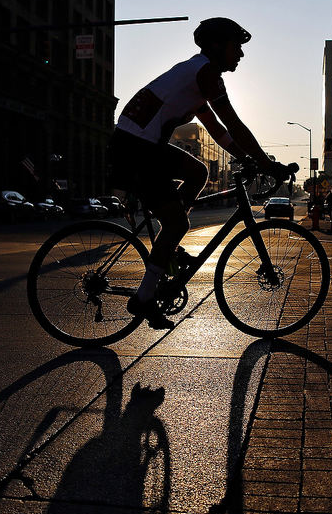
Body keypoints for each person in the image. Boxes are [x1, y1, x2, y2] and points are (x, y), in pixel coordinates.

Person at [110, 17, 289, 329]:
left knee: (197, 172)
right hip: (137, 148)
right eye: (237, 47)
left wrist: (246, 157)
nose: (241, 55)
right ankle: (144, 297)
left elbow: (219, 132)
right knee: (179, 222)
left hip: (138, 144)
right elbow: (233, 123)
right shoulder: (205, 72)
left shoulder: (195, 75)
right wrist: (264, 162)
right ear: (218, 46)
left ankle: (170, 245)